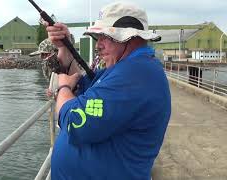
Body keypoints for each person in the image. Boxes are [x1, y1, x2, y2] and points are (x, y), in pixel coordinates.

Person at [46, 2, 171, 179]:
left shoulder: (134, 74)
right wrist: (65, 47)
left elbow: (75, 121)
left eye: (105, 37)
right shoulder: (125, 69)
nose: (98, 45)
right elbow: (82, 86)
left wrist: (63, 87)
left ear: (130, 37)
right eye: (99, 37)